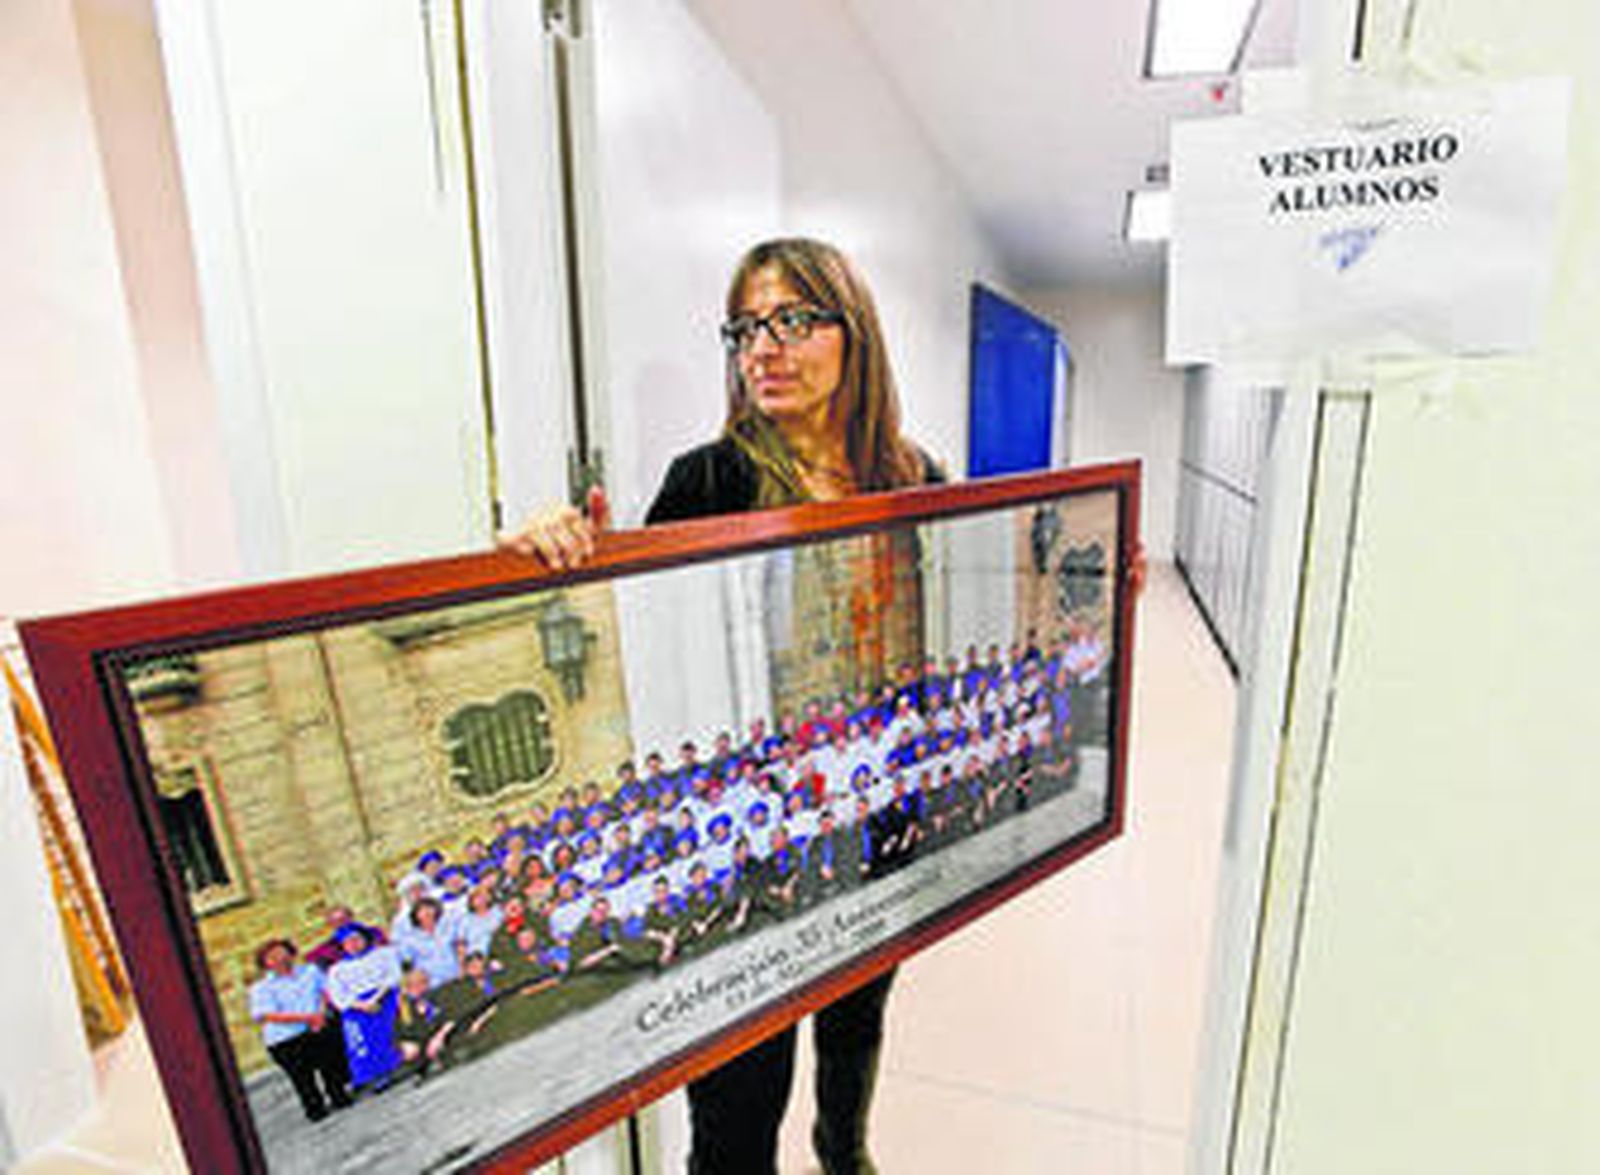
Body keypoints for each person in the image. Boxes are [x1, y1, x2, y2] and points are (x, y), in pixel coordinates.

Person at [506, 238, 941, 1175]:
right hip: (752, 843)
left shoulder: (915, 479)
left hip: (879, 809)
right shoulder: (706, 481)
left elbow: (964, 605)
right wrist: (560, 557)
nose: (762, 349)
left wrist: (1087, 586)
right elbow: (634, 638)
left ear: (854, 333)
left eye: (791, 320)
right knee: (739, 1095)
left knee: (857, 1015)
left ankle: (842, 1147)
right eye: (745, 329)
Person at [248, 938, 351, 1122]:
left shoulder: (311, 971)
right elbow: (268, 1015)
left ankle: (338, 1095)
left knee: (330, 1062)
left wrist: (320, 1014)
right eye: (272, 957)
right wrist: (308, 1018)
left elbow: (325, 992)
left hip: (316, 1025)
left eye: (282, 952)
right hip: (285, 1038)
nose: (279, 958)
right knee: (302, 1078)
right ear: (265, 963)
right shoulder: (261, 987)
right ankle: (314, 1108)